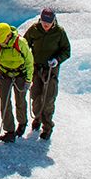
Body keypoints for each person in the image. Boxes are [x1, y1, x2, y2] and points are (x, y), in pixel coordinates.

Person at [22, 8, 72, 140]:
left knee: (48, 97)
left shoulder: (59, 32)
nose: (46, 24)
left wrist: (57, 60)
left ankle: (47, 126)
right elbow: (24, 44)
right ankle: (37, 118)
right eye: (44, 21)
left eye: (48, 22)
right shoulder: (34, 29)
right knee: (35, 94)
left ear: (53, 21)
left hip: (51, 70)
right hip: (36, 68)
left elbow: (66, 50)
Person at [0, 21, 35, 139]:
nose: (1, 42)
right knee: (5, 102)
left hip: (20, 74)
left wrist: (28, 80)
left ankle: (22, 123)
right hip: (4, 74)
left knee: (20, 101)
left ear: (8, 35)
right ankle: (9, 131)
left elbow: (29, 61)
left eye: (3, 39)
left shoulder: (20, 42)